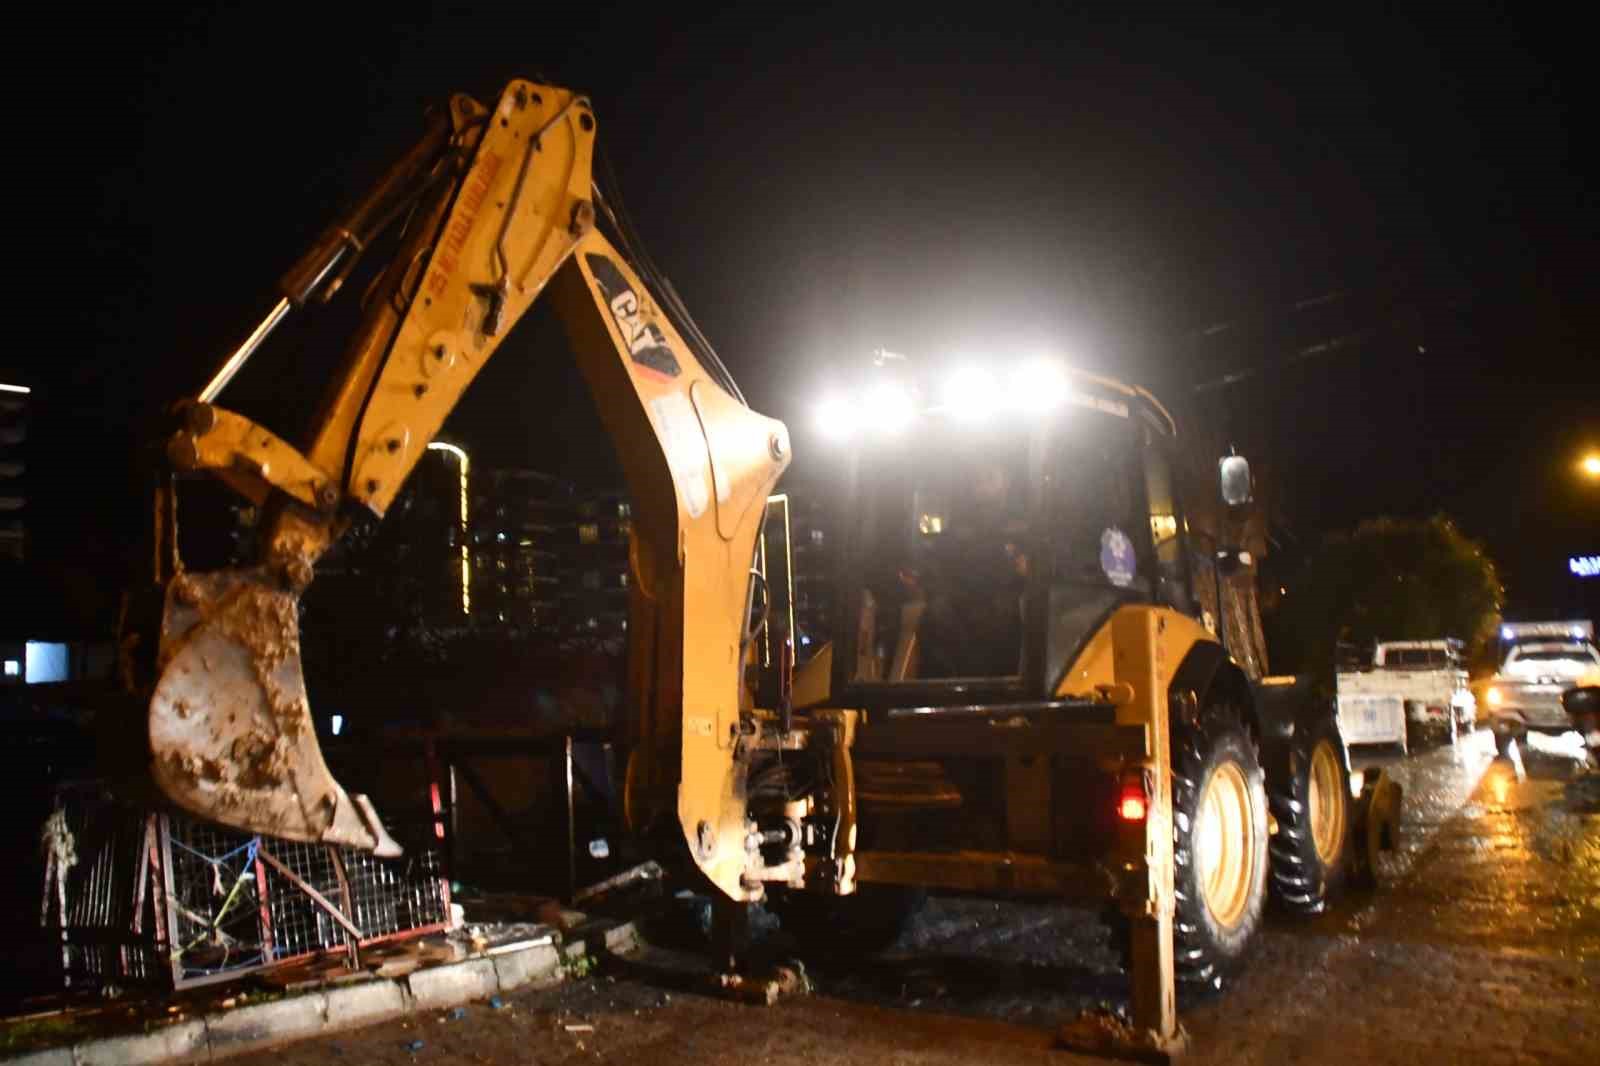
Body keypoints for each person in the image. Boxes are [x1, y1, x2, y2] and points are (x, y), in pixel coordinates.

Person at [915, 457, 1029, 678]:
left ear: (1006, 481)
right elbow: (939, 565)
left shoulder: (1023, 526)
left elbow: (1033, 571)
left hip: (1005, 609)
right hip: (963, 605)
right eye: (978, 479)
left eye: (989, 478)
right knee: (934, 614)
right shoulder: (961, 526)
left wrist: (1026, 571)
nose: (982, 485)